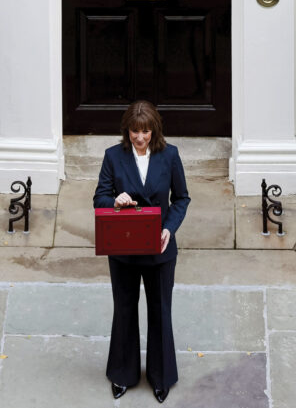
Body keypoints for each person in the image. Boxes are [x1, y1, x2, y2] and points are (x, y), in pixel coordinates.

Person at [93, 100, 190, 404]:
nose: (140, 137)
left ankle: (161, 378)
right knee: (124, 310)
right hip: (123, 249)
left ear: (154, 131)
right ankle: (123, 374)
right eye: (135, 131)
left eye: (145, 131)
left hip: (159, 249)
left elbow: (181, 199)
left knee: (160, 311)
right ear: (127, 131)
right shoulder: (113, 156)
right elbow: (100, 198)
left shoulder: (170, 155)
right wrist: (115, 201)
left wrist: (169, 229)